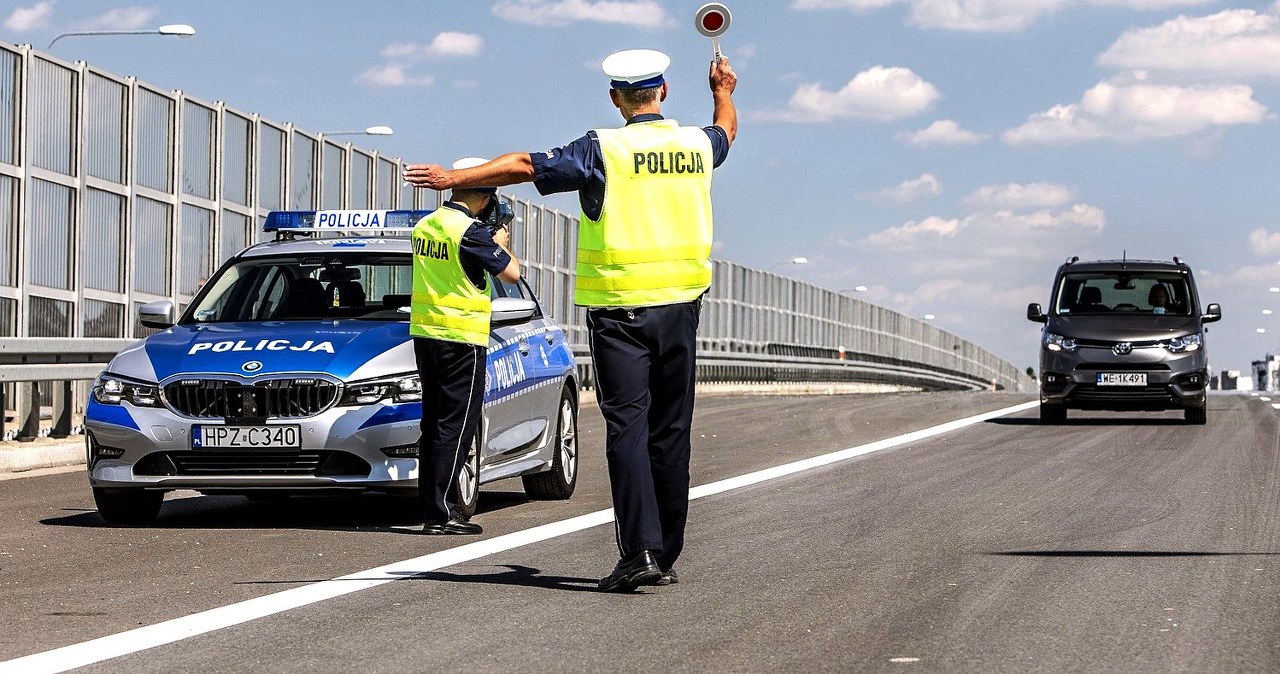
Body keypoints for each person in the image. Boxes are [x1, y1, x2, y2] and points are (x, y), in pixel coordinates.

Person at [404, 49, 737, 589]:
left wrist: (454, 178)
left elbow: (525, 166)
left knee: (627, 427)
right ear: (665, 91)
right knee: (671, 431)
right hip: (681, 308)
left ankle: (640, 553)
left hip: (620, 312)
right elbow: (726, 132)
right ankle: (666, 554)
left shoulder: (602, 148)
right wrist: (723, 90)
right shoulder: (696, 145)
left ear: (615, 98)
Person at [410, 157, 520, 535]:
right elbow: (512, 273)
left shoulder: (426, 225)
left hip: (426, 336)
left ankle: (431, 508)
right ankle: (444, 513)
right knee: (456, 426)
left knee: (434, 424)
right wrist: (500, 243)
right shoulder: (470, 232)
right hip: (462, 339)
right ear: (485, 196)